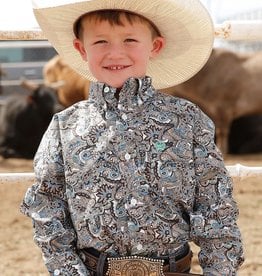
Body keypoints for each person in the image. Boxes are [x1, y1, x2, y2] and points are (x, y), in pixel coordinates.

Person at [21, 0, 244, 275]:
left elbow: (216, 206)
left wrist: (220, 270)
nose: (116, 53)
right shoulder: (63, 127)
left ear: (155, 46)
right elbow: (48, 206)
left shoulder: (187, 120)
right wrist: (68, 270)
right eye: (101, 41)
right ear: (81, 49)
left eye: (130, 40)